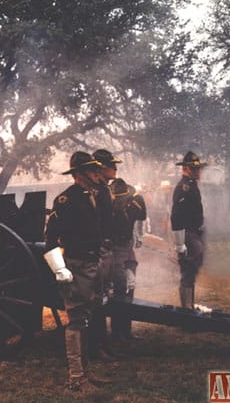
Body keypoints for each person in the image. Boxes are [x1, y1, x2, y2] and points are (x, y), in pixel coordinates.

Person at [43, 151, 113, 392]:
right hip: (76, 265)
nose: (98, 173)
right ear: (80, 173)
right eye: (93, 170)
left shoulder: (90, 196)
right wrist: (60, 269)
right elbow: (50, 239)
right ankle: (76, 378)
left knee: (85, 320)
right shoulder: (66, 200)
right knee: (75, 321)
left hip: (92, 264)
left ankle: (86, 373)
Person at [87, 148, 125, 361]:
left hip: (107, 248)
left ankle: (103, 342)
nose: (115, 169)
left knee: (103, 299)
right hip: (99, 250)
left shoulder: (104, 190)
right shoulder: (95, 192)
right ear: (101, 169)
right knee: (96, 300)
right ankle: (96, 346)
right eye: (112, 165)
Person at [109, 178, 147, 341]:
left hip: (127, 246)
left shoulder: (135, 201)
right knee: (119, 288)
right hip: (114, 248)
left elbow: (139, 219)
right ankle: (117, 332)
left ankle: (126, 330)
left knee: (130, 287)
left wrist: (138, 235)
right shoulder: (106, 204)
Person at [170, 151, 207, 309]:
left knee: (192, 270)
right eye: (193, 168)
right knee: (188, 271)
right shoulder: (184, 187)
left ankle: (189, 306)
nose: (197, 171)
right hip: (187, 234)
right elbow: (176, 217)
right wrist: (180, 244)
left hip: (194, 232)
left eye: (198, 168)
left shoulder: (191, 185)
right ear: (185, 168)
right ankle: (187, 309)